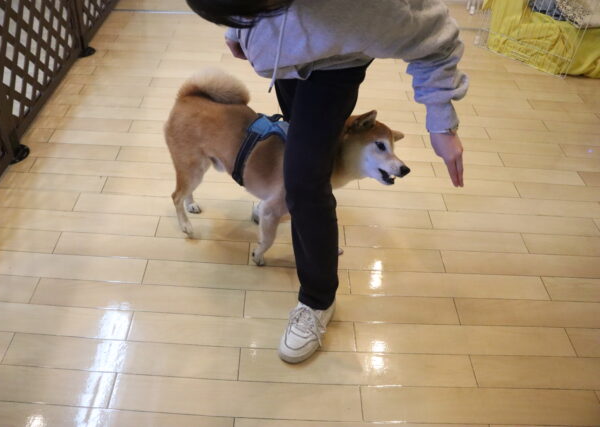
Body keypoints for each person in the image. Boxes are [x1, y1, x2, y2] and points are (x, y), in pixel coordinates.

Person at [185, 0, 468, 363]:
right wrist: (240, 25)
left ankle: (317, 300)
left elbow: (437, 40)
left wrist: (442, 122)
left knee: (306, 182)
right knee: (298, 150)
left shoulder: (370, 8)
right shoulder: (258, 10)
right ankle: (283, 200)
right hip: (287, 63)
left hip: (336, 66)